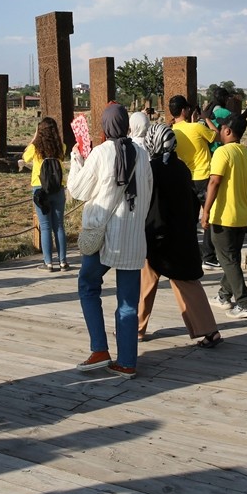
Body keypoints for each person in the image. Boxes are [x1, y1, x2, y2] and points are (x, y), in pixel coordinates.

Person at [67, 103, 153, 378]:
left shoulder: (100, 154)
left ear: (104, 127)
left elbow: (78, 190)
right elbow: (148, 194)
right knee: (128, 301)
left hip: (104, 236)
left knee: (88, 286)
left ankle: (100, 349)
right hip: (132, 237)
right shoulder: (142, 153)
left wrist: (76, 160)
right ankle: (126, 362)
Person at [137, 123, 222, 348]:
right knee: (184, 282)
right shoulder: (181, 167)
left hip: (156, 236)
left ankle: (136, 328)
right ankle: (209, 330)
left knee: (146, 283)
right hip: (180, 236)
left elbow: (145, 203)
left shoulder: (151, 169)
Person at [201, 113, 247, 319]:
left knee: (227, 259)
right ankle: (223, 296)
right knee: (231, 258)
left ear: (227, 130)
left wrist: (206, 210)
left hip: (223, 216)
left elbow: (214, 182)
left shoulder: (222, 153)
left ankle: (245, 302)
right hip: (242, 216)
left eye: (220, 129)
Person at [169, 95, 218, 268]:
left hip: (186, 178)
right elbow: (215, 136)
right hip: (203, 176)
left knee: (190, 218)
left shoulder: (172, 131)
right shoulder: (197, 127)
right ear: (184, 110)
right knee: (208, 216)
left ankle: (189, 251)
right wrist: (205, 118)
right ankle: (209, 256)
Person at [24, 117, 69, 272]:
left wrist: (34, 137)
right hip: (58, 188)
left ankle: (48, 262)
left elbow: (25, 157)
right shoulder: (60, 147)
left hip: (40, 189)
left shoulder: (35, 148)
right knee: (59, 226)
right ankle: (63, 262)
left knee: (45, 227)